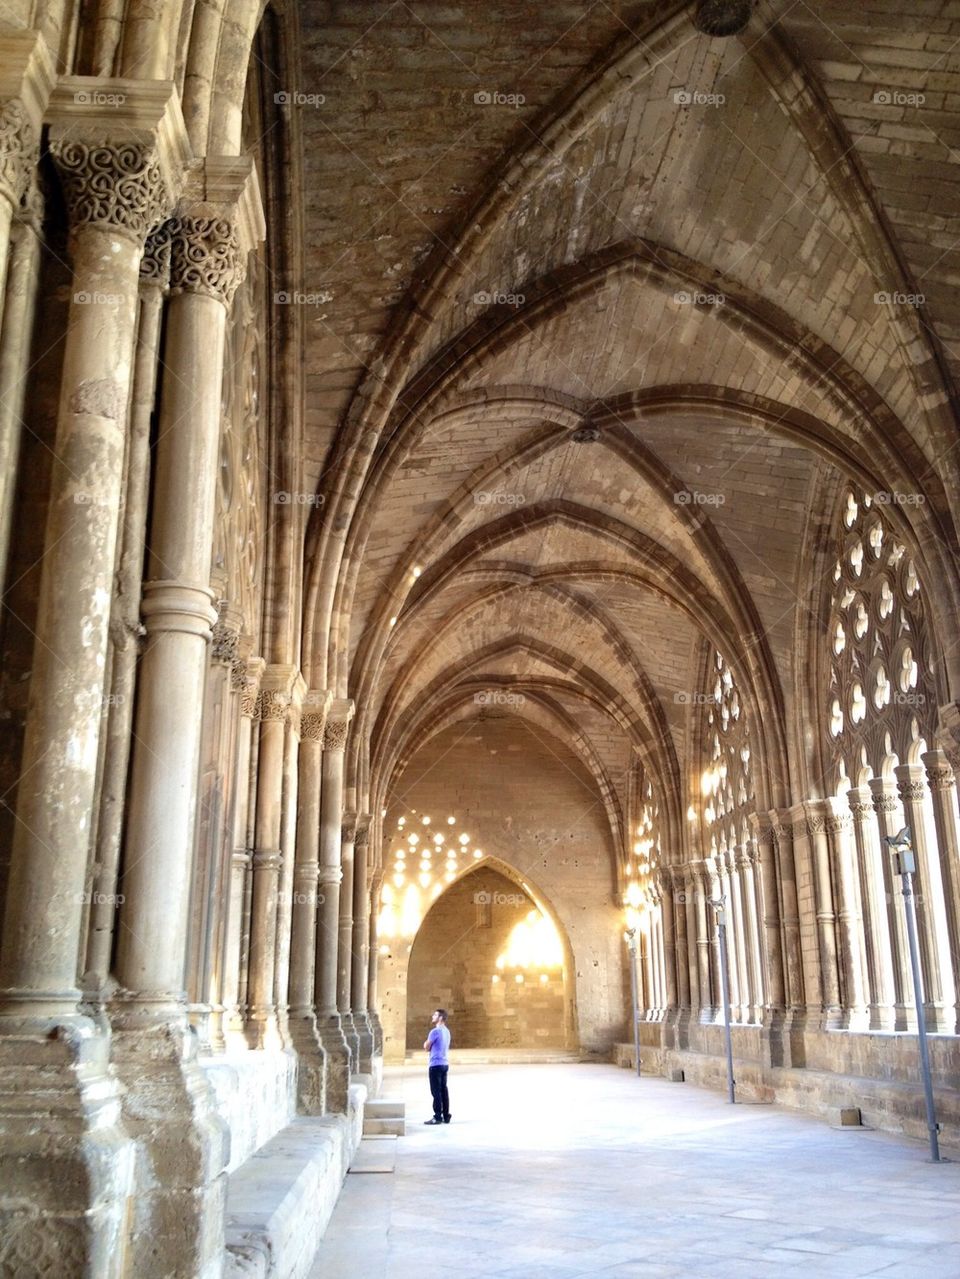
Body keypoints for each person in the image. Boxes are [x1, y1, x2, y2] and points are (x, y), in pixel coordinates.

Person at [423, 1008, 451, 1125]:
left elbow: (426, 1047)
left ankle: (437, 1117)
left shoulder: (435, 1032)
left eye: (435, 1015)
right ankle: (446, 1115)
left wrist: (426, 1043)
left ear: (440, 1018)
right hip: (444, 1064)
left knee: (436, 1092)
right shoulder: (447, 1031)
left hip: (435, 1064)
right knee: (444, 1090)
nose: (432, 1016)